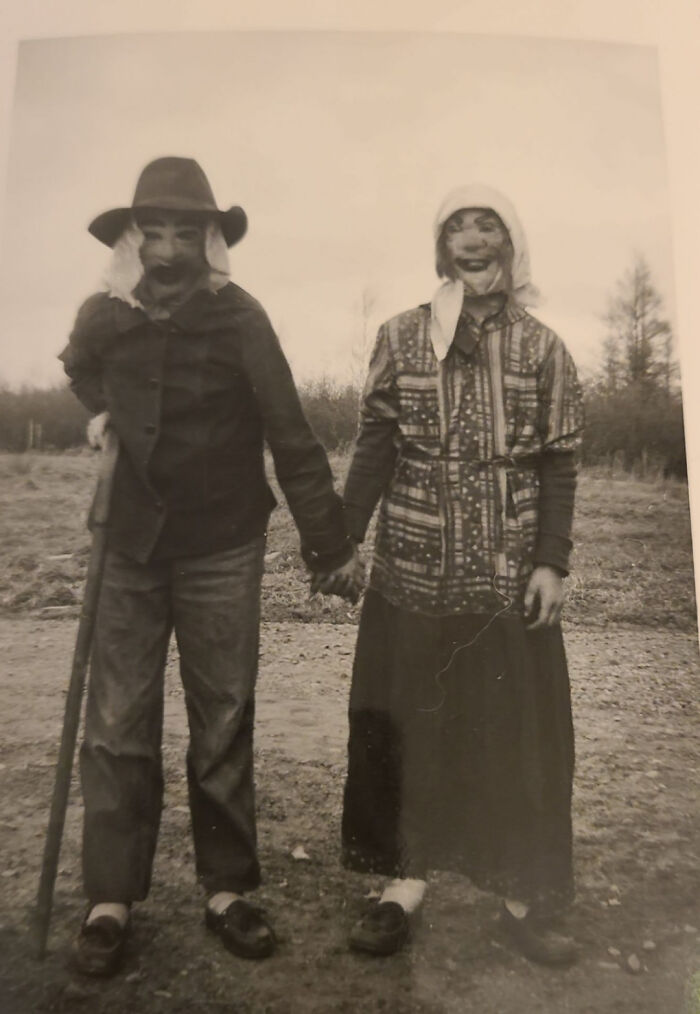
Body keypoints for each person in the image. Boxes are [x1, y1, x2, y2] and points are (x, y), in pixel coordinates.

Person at [59, 156, 360, 976]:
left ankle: (226, 889)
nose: (165, 248)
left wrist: (327, 545)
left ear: (209, 237)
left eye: (183, 231)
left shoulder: (240, 317)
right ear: (130, 237)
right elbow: (77, 366)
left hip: (224, 543)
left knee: (222, 715)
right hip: (126, 542)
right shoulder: (103, 314)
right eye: (150, 231)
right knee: (117, 720)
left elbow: (290, 432)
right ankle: (111, 897)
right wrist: (103, 419)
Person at [332, 185, 585, 965]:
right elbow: (375, 447)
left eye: (488, 227)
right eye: (457, 229)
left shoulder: (544, 347)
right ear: (440, 248)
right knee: (406, 727)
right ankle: (401, 888)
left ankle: (521, 898)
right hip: (411, 572)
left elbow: (559, 464)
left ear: (513, 244)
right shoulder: (402, 336)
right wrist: (341, 542)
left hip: (506, 580)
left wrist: (550, 561)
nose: (472, 242)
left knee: (518, 739)